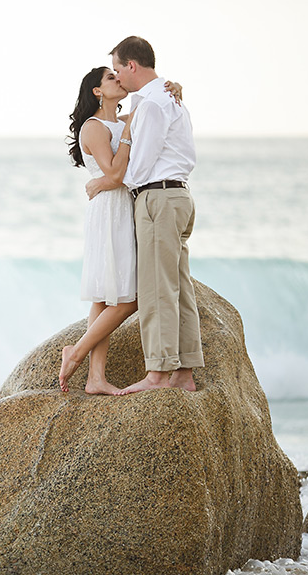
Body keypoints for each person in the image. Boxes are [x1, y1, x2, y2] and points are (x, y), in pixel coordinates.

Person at [59, 66, 182, 395]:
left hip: (123, 206)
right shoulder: (95, 127)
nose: (118, 80)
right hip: (109, 210)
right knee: (127, 297)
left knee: (105, 294)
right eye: (110, 78)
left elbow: (156, 110)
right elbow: (114, 174)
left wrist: (175, 87)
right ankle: (77, 353)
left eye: (118, 75)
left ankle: (94, 378)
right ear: (97, 91)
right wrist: (127, 133)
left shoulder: (126, 119)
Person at [107, 35, 203, 395]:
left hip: (157, 198)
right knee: (179, 286)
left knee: (156, 288)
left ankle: (159, 373)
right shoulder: (171, 99)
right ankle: (185, 371)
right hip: (179, 196)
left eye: (118, 69)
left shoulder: (151, 105)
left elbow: (140, 165)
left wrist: (115, 180)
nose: (117, 77)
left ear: (132, 65)